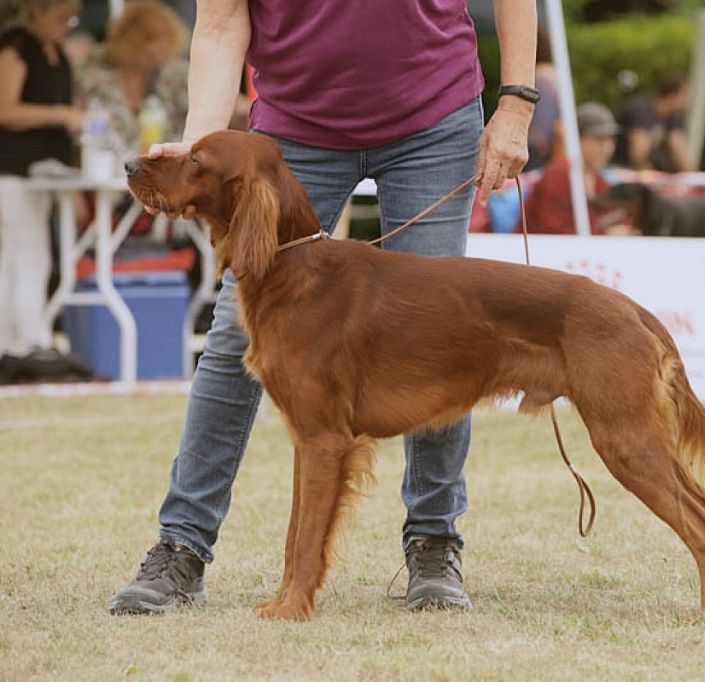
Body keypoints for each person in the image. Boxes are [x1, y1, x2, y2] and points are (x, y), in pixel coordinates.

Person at [107, 0, 537, 615]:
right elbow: (223, 23)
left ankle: (433, 541)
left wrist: (517, 101)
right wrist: (197, 150)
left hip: (433, 117)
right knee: (232, 341)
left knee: (445, 332)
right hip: (292, 133)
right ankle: (182, 547)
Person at [0, 0, 84, 381]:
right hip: (14, 170)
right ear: (37, 12)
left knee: (36, 256)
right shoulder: (16, 47)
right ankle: (21, 342)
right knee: (22, 256)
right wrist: (59, 115)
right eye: (60, 18)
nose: (66, 25)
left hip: (48, 173)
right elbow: (6, 109)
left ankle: (28, 338)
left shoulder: (59, 54)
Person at [74, 0, 188, 157]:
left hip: (159, 163)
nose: (156, 57)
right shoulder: (94, 73)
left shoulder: (173, 74)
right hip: (104, 161)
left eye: (162, 51)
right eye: (149, 51)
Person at [520, 102, 624, 235]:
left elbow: (615, 215)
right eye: (598, 139)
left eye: (610, 140)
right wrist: (604, 232)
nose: (607, 148)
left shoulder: (600, 181)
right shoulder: (557, 176)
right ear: (577, 140)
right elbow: (550, 229)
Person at [613, 75, 692, 173]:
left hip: (636, 172)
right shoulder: (641, 111)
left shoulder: (672, 116)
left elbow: (680, 149)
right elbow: (638, 155)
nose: (687, 102)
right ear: (672, 95)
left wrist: (693, 177)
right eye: (684, 97)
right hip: (618, 167)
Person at [523, 30, 559, 172]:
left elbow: (542, 118)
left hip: (535, 147)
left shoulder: (537, 76)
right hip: (553, 144)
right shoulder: (556, 75)